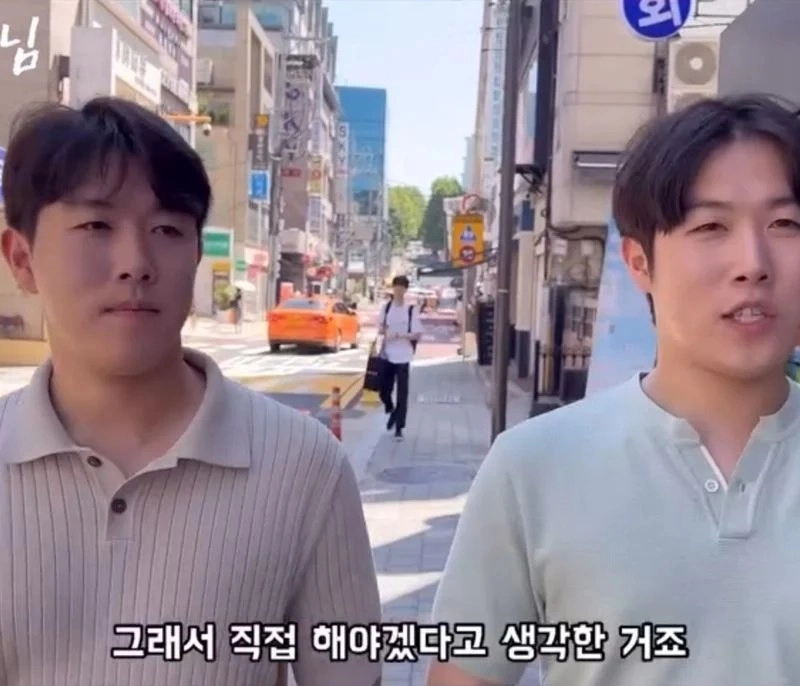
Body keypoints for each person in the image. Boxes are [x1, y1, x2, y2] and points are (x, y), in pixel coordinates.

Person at [0, 97, 380, 686]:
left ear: (196, 253)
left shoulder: (306, 468)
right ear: (22, 259)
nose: (136, 262)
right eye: (96, 225)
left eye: (167, 229)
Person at [428, 94, 800, 686]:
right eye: (711, 226)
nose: (752, 263)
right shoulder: (533, 466)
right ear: (640, 262)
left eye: (785, 224)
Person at [378, 274, 423, 441]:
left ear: (405, 290)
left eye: (401, 287)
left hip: (404, 356)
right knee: (384, 390)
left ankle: (399, 427)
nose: (398, 290)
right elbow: (380, 328)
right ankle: (391, 409)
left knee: (402, 394)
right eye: (396, 287)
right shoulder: (386, 308)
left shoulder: (410, 310)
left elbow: (417, 334)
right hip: (387, 354)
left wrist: (401, 335)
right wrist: (386, 332)